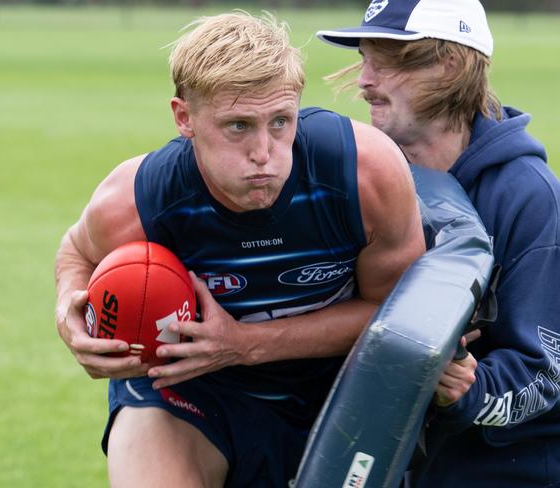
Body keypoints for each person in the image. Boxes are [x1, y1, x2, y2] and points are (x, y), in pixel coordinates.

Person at [54, 11, 425, 488]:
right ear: (184, 117)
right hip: (189, 388)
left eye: (280, 122)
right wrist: (68, 316)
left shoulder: (363, 173)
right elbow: (76, 254)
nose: (264, 153)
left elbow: (399, 315)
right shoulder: (137, 200)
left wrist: (245, 345)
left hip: (339, 387)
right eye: (238, 126)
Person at [317, 0, 560, 486]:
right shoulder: (361, 177)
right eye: (364, 59)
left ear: (450, 64)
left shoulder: (529, 197)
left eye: (384, 61)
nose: (364, 80)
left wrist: (468, 389)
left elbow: (545, 375)